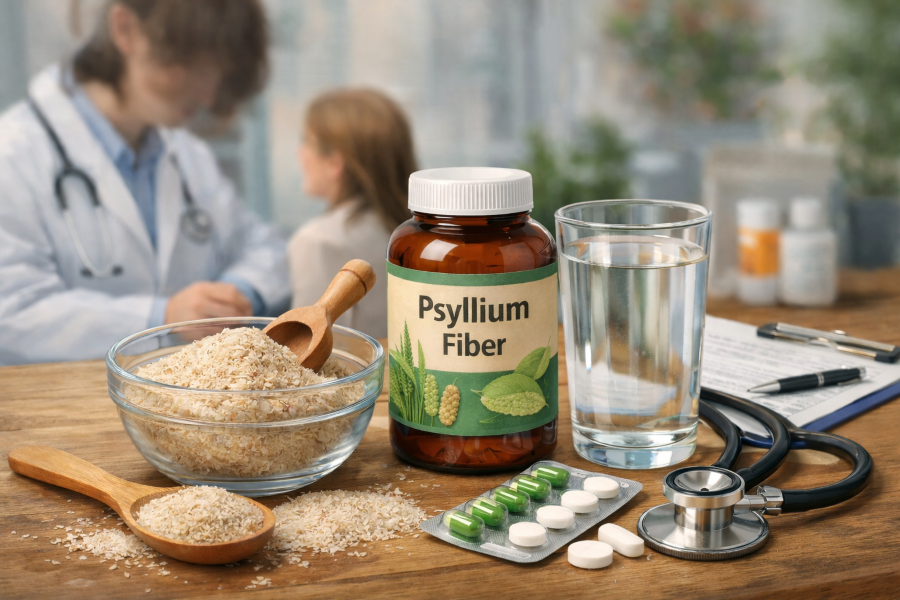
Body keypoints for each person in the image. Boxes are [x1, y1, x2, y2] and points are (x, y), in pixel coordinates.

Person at [0, 0, 290, 365]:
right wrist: (161, 318)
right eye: (191, 65)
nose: (208, 95)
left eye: (216, 71)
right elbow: (11, 315)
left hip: (190, 404)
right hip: (65, 406)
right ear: (125, 29)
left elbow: (266, 248)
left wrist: (237, 295)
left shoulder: (185, 153)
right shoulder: (12, 154)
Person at [289, 89, 418, 339]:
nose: (300, 153)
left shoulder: (319, 242)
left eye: (306, 141)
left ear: (335, 163)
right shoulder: (419, 233)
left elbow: (306, 353)